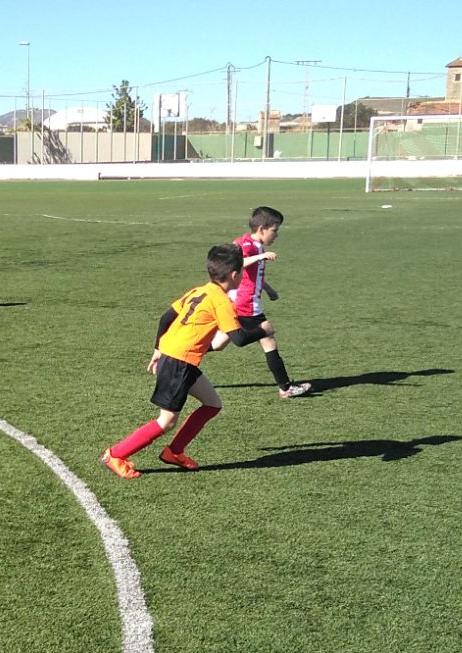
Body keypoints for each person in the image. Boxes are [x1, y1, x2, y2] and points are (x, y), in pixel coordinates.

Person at [100, 244, 264, 478]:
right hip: (178, 362)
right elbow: (239, 338)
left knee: (212, 404)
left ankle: (173, 452)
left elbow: (166, 317)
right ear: (235, 275)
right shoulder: (222, 301)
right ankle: (115, 454)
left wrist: (158, 348)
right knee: (166, 421)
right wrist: (263, 330)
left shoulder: (199, 291)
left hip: (178, 357)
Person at [231, 205, 310, 399]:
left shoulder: (256, 246)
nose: (276, 235)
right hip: (246, 304)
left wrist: (268, 289)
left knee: (218, 343)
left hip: (241, 302)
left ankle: (175, 357)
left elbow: (252, 276)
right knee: (268, 339)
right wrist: (261, 256)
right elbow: (236, 263)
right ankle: (285, 388)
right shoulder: (248, 245)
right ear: (261, 229)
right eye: (274, 230)